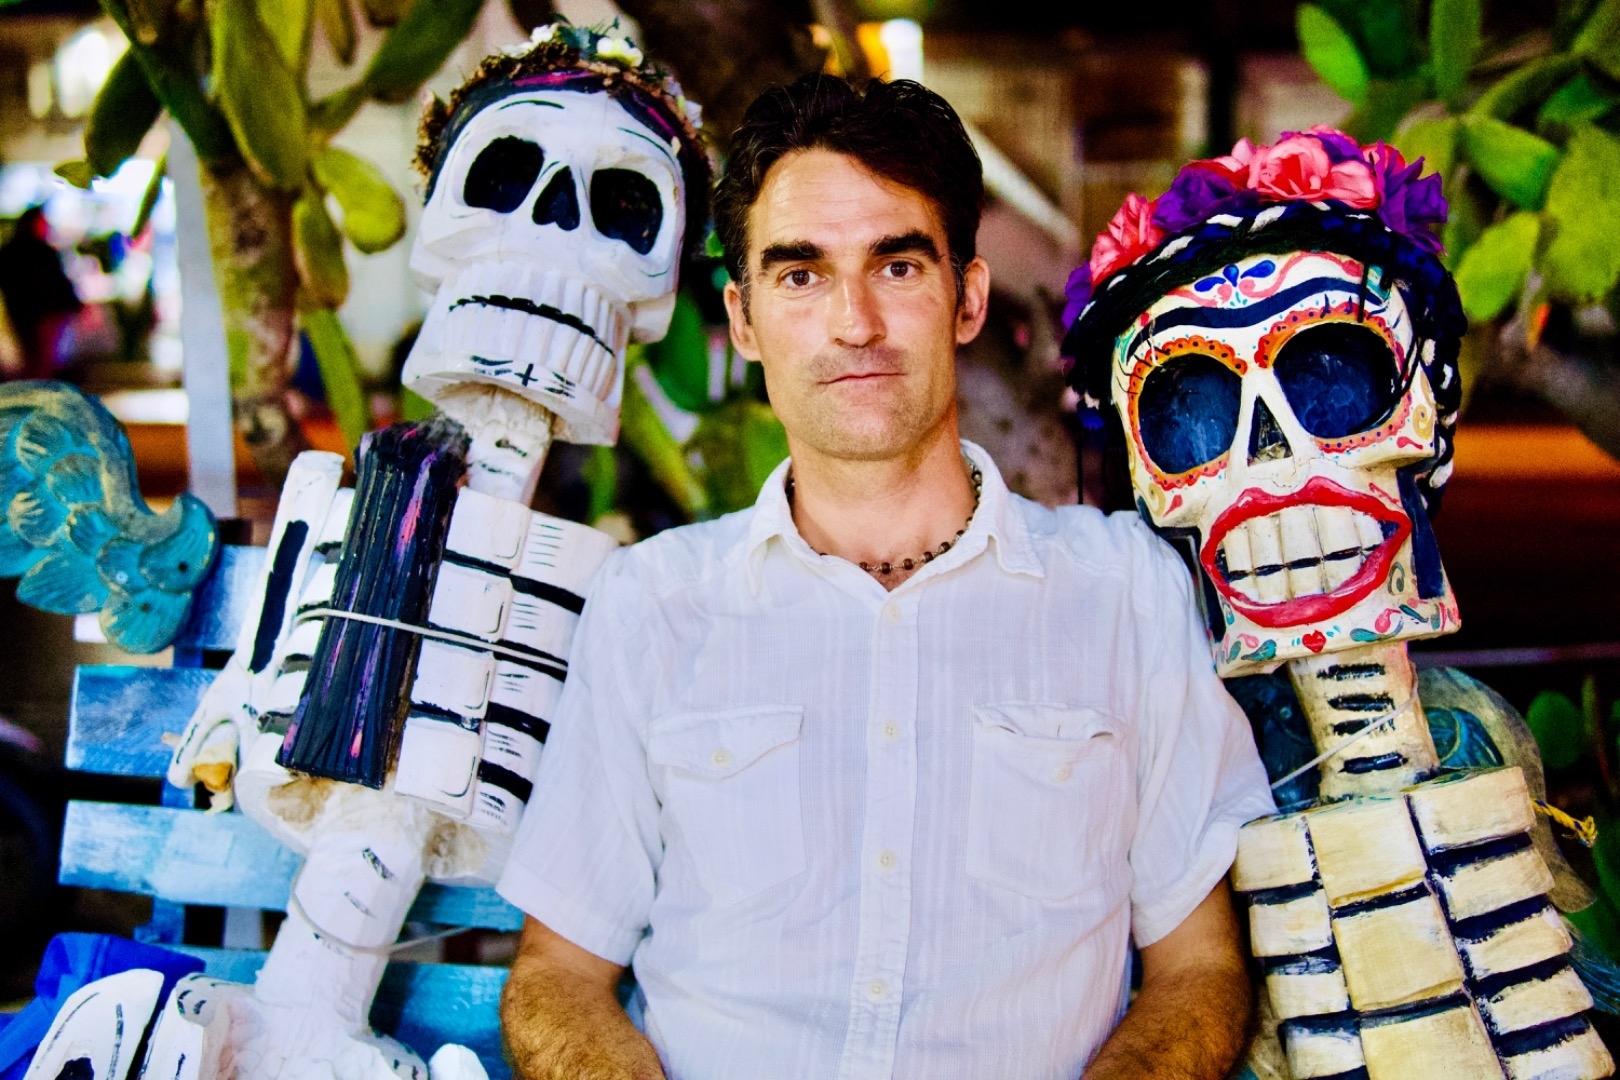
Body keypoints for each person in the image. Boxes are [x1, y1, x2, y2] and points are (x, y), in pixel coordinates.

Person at [495, 74, 1276, 1080]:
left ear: (968, 299)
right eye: (800, 275)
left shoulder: (1123, 592)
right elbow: (557, 975)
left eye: (897, 266)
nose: (854, 322)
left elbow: (1198, 969)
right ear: (742, 318)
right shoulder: (653, 604)